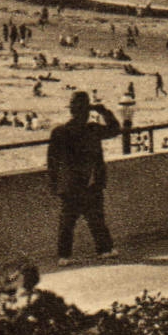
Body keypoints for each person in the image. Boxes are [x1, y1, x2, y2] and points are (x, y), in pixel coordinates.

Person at [47, 91, 121, 265]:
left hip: (70, 185)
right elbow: (115, 129)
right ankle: (105, 250)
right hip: (91, 182)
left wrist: (54, 184)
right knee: (96, 219)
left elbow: (52, 161)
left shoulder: (59, 131)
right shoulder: (93, 129)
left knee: (67, 223)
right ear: (87, 112)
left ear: (71, 111)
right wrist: (103, 111)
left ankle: (64, 256)